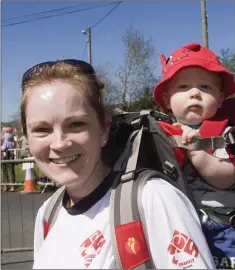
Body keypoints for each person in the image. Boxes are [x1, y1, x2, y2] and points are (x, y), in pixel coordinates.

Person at [21, 59, 215, 269]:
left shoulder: (154, 200)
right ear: (27, 137)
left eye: (76, 124)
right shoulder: (48, 214)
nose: (59, 143)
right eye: (41, 129)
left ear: (104, 128)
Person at [153, 42, 235, 269]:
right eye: (184, 87)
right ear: (167, 99)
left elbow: (227, 177)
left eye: (205, 87)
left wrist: (200, 155)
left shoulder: (225, 133)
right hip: (178, 226)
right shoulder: (160, 132)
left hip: (220, 227)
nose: (195, 93)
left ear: (220, 99)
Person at [1, 126, 16, 192]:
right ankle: (11, 185)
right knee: (10, 171)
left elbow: (4, 148)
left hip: (7, 156)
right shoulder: (11, 137)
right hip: (9, 156)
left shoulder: (7, 137)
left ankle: (6, 185)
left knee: (5, 171)